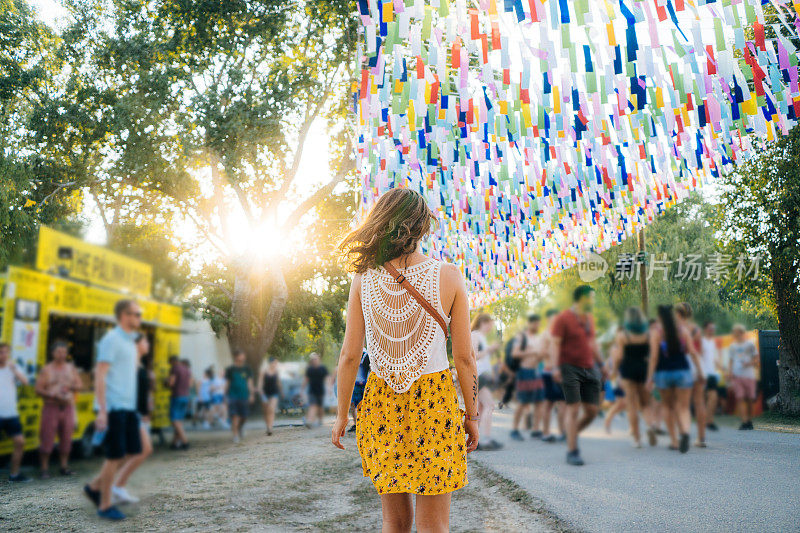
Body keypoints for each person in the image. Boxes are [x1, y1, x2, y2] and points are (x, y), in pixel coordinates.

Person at [332, 187, 478, 533]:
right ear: (422, 227)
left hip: (381, 402)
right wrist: (472, 415)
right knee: (434, 525)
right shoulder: (449, 275)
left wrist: (340, 416)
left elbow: (350, 354)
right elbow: (465, 358)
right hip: (435, 403)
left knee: (393, 523)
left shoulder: (362, 279)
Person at [84, 300, 143, 521]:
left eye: (139, 314)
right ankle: (105, 505)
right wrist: (102, 410)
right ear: (122, 315)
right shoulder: (111, 339)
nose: (138, 317)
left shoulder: (130, 342)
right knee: (114, 455)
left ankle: (94, 487)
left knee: (131, 451)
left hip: (128, 407)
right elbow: (100, 374)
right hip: (113, 407)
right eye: (134, 314)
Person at [550, 285, 605, 466]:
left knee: (592, 411)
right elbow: (556, 344)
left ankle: (570, 434)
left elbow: (593, 343)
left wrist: (602, 364)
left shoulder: (589, 318)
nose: (593, 301)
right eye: (591, 297)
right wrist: (555, 367)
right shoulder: (563, 318)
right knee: (573, 409)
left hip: (590, 368)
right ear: (582, 298)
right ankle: (572, 450)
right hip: (569, 368)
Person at [646, 305, 703, 454]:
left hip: (663, 373)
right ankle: (685, 431)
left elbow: (653, 357)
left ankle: (674, 441)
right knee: (683, 407)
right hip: (682, 372)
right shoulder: (683, 331)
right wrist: (700, 372)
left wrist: (649, 378)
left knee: (667, 406)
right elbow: (692, 352)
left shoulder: (656, 332)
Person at [111, 334, 154, 505]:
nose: (147, 344)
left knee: (130, 453)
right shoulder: (129, 365)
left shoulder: (138, 364)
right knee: (144, 449)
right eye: (144, 341)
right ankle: (116, 486)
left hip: (137, 413)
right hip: (131, 413)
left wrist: (145, 410)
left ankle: (109, 486)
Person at [609, 307, 657, 448]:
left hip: (628, 372)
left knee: (631, 406)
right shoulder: (649, 334)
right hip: (643, 370)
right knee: (645, 404)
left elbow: (619, 357)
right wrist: (650, 376)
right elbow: (653, 356)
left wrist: (614, 370)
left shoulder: (623, 335)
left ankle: (637, 440)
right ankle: (650, 425)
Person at [35, 340, 83, 478]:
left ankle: (64, 467)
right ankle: (44, 469)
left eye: (64, 352)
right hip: (51, 406)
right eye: (58, 352)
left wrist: (69, 387)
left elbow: (79, 385)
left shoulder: (70, 368)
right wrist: (52, 393)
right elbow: (38, 389)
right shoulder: (47, 369)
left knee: (67, 438)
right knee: (47, 437)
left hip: (67, 407)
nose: (61, 354)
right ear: (53, 353)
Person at [675, 303, 707, 448]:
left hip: (683, 366)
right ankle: (701, 438)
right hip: (697, 364)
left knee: (683, 404)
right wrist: (701, 371)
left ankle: (684, 435)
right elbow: (699, 350)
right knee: (699, 402)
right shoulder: (695, 329)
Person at [509, 314, 545, 441]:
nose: (537, 326)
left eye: (538, 324)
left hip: (536, 372)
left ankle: (535, 430)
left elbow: (539, 355)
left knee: (540, 402)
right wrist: (532, 352)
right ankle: (514, 429)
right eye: (535, 323)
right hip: (524, 372)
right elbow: (515, 353)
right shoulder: (522, 336)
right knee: (523, 402)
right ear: (530, 323)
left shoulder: (538, 338)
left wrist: (541, 355)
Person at [0, 342, 31, 482]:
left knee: (20, 442)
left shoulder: (13, 367)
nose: (3, 355)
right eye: (1, 352)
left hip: (11, 413)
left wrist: (14, 370)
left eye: (6, 352)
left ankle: (14, 474)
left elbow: (25, 382)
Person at [471, 313, 502, 451]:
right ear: (484, 322)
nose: (491, 327)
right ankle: (485, 439)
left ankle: (475, 440)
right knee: (489, 405)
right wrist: (490, 349)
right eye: (490, 324)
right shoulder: (475, 335)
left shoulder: (481, 336)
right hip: (478, 374)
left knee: (481, 408)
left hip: (483, 374)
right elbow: (473, 355)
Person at [540, 309, 565, 443]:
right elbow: (541, 352)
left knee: (563, 403)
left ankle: (563, 432)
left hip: (562, 372)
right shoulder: (546, 334)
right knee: (548, 403)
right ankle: (545, 432)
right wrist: (551, 352)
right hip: (549, 372)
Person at [727, 324, 759, 430]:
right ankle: (744, 421)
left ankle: (749, 420)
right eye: (734, 332)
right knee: (740, 398)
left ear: (741, 333)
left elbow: (756, 359)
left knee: (749, 399)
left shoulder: (750, 344)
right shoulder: (733, 346)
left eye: (736, 332)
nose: (735, 334)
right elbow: (731, 361)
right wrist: (730, 372)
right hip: (737, 375)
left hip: (749, 375)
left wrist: (749, 364)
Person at [225, 349, 254, 443]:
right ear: (236, 357)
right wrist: (224, 396)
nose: (243, 357)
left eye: (243, 356)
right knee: (235, 415)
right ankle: (235, 435)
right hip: (233, 395)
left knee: (244, 416)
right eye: (241, 355)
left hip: (244, 395)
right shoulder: (230, 369)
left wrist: (251, 394)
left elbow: (250, 382)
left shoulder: (247, 369)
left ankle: (240, 428)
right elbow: (227, 383)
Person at [700, 322, 722, 431]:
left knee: (713, 397)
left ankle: (709, 421)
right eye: (710, 328)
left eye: (713, 328)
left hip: (712, 374)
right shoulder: (701, 341)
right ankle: (704, 421)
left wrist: (723, 369)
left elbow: (715, 359)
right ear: (705, 329)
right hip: (702, 374)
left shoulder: (713, 342)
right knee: (702, 399)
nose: (712, 330)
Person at [167, 356, 191, 450]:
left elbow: (171, 383)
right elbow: (190, 384)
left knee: (174, 420)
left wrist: (166, 382)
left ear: (173, 361)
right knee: (179, 421)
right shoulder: (186, 369)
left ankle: (185, 442)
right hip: (185, 396)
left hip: (177, 396)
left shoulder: (175, 368)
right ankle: (174, 443)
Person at [347, 350, 371, 433]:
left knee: (364, 404)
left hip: (364, 384)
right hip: (354, 384)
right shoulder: (351, 353)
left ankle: (363, 424)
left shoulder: (367, 355)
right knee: (353, 404)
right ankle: (356, 423)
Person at [304, 352, 329, 427]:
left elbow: (327, 378)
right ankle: (309, 421)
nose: (314, 360)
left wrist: (329, 388)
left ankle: (320, 420)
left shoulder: (323, 368)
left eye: (315, 359)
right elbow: (306, 379)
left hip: (320, 390)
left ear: (318, 359)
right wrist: (302, 389)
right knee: (313, 405)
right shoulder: (309, 369)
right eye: (313, 359)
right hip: (312, 390)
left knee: (320, 407)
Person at [259, 357, 281, 436]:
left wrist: (281, 391)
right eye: (274, 363)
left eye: (276, 363)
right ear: (270, 363)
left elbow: (278, 382)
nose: (275, 364)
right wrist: (260, 391)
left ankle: (270, 428)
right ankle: (267, 426)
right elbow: (260, 382)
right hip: (265, 393)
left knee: (271, 409)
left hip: (274, 392)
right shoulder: (264, 371)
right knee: (266, 411)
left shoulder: (276, 371)